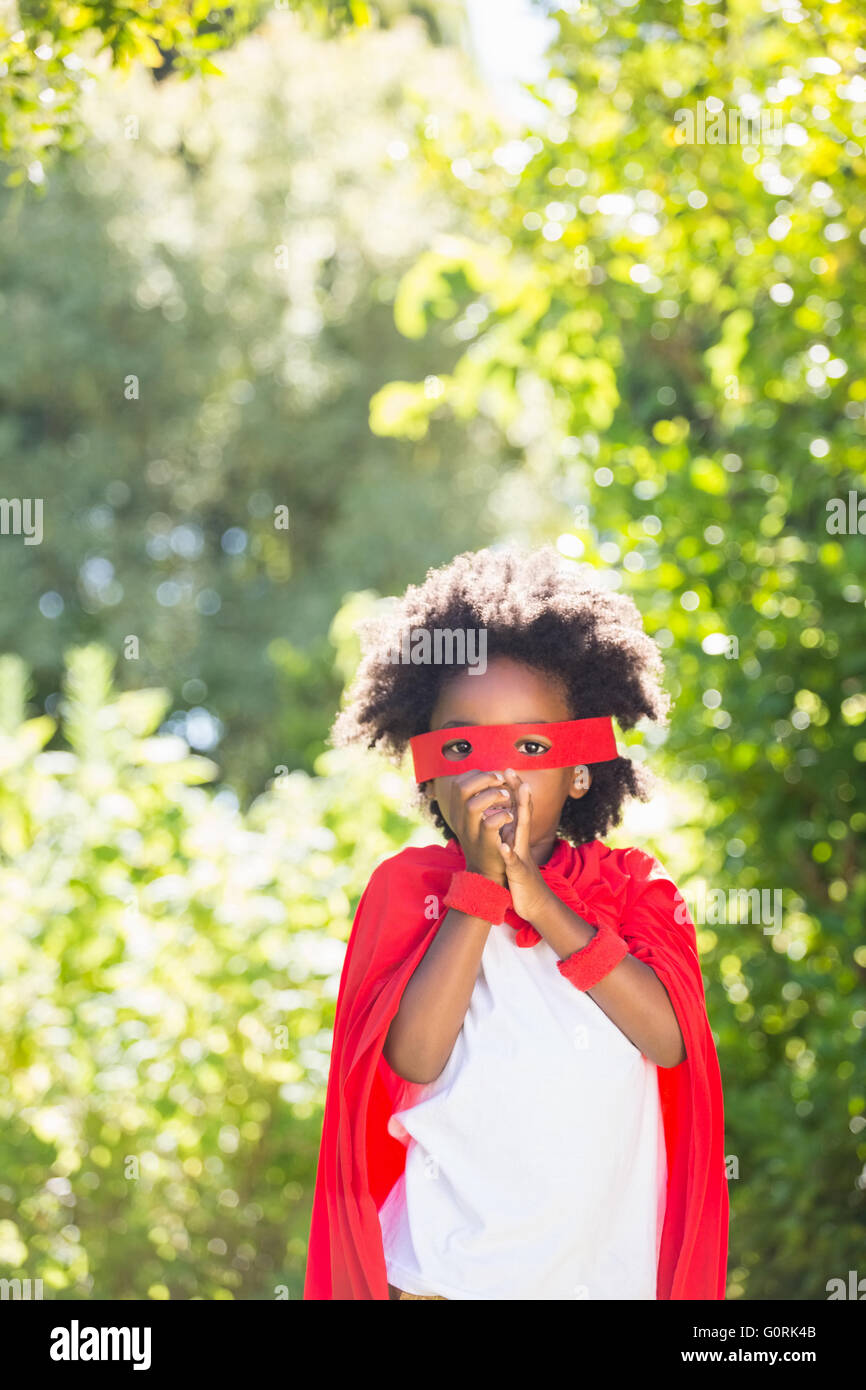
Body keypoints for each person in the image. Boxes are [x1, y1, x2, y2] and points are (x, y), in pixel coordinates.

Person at [303, 545, 729, 1300]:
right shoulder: (409, 893)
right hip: (441, 1278)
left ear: (578, 768)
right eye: (463, 744)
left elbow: (669, 1040)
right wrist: (479, 892)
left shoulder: (632, 889)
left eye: (530, 745)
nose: (496, 772)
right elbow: (413, 1060)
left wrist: (542, 904)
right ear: (430, 770)